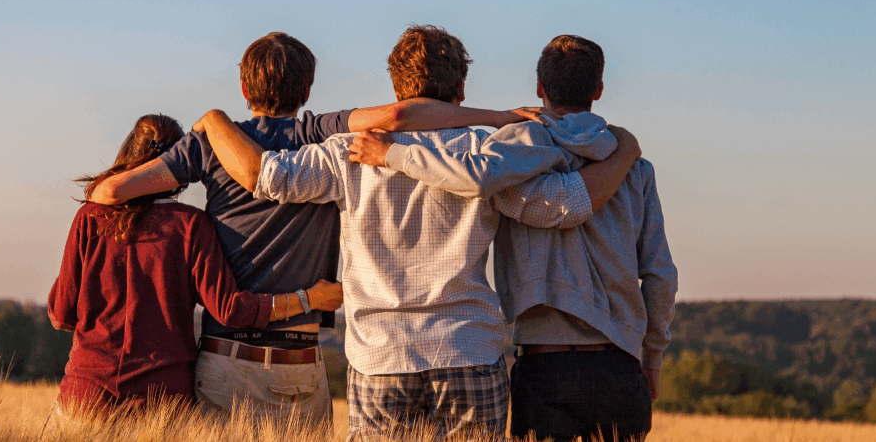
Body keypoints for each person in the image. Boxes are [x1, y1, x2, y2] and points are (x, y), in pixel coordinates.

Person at [197, 25, 642, 441]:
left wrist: (214, 121)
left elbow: (267, 177)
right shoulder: (486, 154)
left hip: (380, 356)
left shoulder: (347, 152)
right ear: (461, 89)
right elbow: (563, 205)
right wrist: (623, 154)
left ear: (395, 87)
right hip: (468, 349)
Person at [85, 32, 518, 426]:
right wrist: (500, 117)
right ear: (307, 89)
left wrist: (209, 124)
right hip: (302, 361)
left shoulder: (208, 143)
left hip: (226, 357)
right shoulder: (320, 132)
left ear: (244, 88)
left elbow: (110, 193)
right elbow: (401, 114)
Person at [351, 35, 678, 442]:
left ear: (539, 87)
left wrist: (393, 154)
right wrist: (652, 356)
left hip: (545, 365)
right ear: (598, 90)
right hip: (622, 365)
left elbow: (472, 176)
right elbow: (660, 273)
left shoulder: (511, 154)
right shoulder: (635, 167)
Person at [47, 113, 343, 414]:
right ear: (177, 166)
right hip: (162, 403)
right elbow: (230, 309)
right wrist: (309, 299)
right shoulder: (190, 225)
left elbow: (61, 315)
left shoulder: (90, 219)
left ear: (129, 154)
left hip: (86, 396)